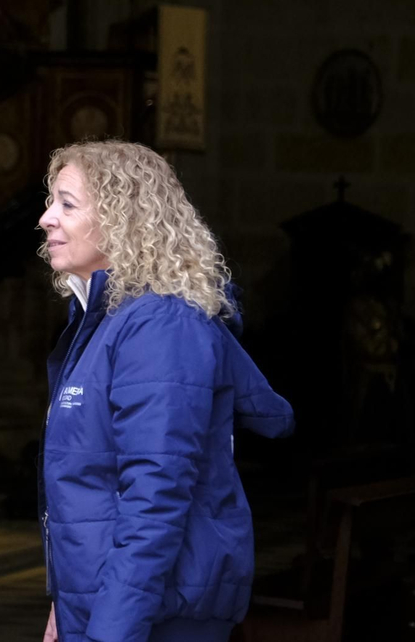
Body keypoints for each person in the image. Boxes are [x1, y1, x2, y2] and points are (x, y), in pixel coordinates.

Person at [35, 140, 294, 642]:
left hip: (158, 614)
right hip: (117, 605)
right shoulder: (105, 320)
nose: (47, 218)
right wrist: (66, 606)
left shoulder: (160, 325)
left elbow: (155, 497)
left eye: (67, 203)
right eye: (51, 201)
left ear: (122, 217)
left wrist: (109, 631)